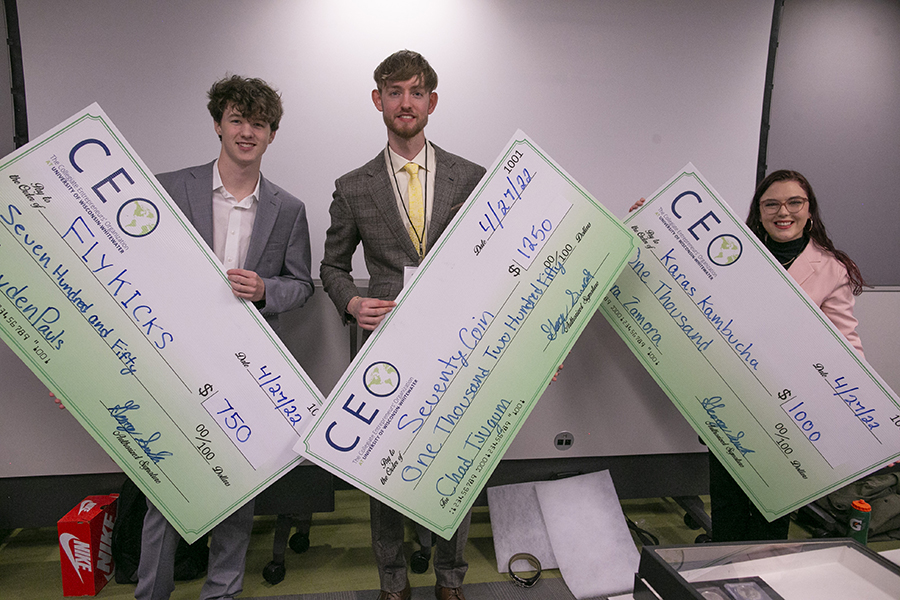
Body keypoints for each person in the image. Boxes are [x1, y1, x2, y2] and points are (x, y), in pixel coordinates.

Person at [136, 75, 314, 600]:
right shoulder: (170, 188)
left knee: (237, 485)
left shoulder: (289, 208)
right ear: (218, 124)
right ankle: (152, 594)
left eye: (258, 123)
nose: (246, 132)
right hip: (175, 361)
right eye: (237, 119)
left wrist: (265, 290)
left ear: (271, 135)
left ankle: (223, 591)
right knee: (166, 491)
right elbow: (137, 271)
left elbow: (301, 285)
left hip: (244, 367)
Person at [320, 50, 485, 600]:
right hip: (383, 347)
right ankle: (392, 580)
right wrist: (350, 304)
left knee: (455, 461)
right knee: (383, 466)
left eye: (416, 92)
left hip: (456, 345)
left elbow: (494, 265)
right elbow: (332, 267)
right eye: (394, 92)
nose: (405, 102)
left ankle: (450, 577)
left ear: (431, 101)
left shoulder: (472, 177)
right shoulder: (353, 185)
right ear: (378, 101)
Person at [708, 168, 865, 541]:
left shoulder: (831, 268)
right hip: (730, 394)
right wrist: (650, 218)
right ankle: (717, 576)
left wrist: (856, 404)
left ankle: (762, 578)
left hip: (791, 407)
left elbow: (849, 345)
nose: (784, 211)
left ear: (809, 210)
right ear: (759, 212)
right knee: (727, 500)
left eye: (795, 202)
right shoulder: (734, 252)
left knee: (772, 508)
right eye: (771, 203)